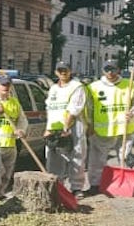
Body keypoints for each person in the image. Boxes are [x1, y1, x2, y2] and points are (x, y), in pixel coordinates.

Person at [84, 60, 134, 193]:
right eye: (107, 70)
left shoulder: (130, 85)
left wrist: (133, 112)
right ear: (103, 71)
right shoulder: (93, 87)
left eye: (113, 69)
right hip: (101, 130)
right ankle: (95, 184)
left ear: (118, 70)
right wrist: (89, 124)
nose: (110, 73)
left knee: (124, 157)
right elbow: (88, 108)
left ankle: (128, 184)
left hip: (125, 128)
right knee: (97, 159)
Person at [43, 61, 89, 197]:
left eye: (65, 70)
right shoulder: (53, 89)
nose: (63, 72)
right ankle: (56, 186)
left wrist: (65, 128)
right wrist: (48, 128)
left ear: (70, 71)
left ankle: (76, 187)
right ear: (56, 72)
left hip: (72, 126)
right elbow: (50, 109)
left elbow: (73, 109)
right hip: (53, 127)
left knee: (76, 156)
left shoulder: (77, 87)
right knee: (54, 157)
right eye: (60, 70)